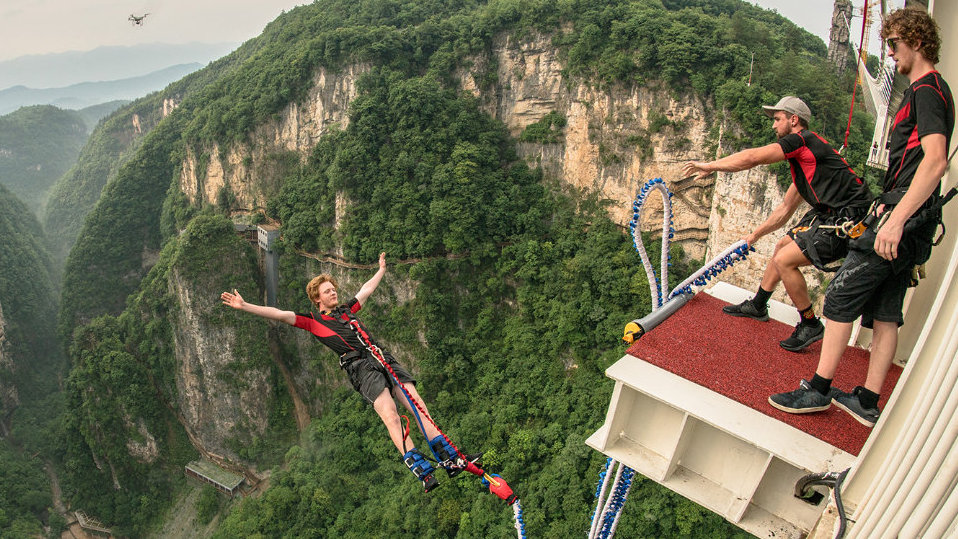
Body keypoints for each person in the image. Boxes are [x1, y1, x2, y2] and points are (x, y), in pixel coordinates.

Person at [769, 7, 954, 427]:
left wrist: (894, 219)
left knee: (838, 300)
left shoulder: (926, 91)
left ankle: (817, 390)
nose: (890, 55)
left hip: (900, 217)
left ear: (917, 42)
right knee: (885, 313)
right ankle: (867, 401)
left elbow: (936, 160)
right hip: (917, 224)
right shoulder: (936, 91)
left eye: (894, 45)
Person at [221, 252, 476, 491]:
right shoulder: (313, 321)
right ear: (317, 298)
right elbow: (278, 314)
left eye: (333, 289)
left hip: (381, 356)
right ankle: (423, 472)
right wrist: (245, 306)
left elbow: (366, 290)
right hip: (360, 368)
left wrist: (381, 270)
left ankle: (451, 459)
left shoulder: (346, 310)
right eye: (328, 291)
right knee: (391, 415)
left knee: (417, 405)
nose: (333, 292)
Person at [683, 96, 872, 351]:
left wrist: (710, 165)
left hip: (850, 218)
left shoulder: (802, 141)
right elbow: (784, 210)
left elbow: (753, 157)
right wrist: (755, 235)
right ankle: (759, 304)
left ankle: (810, 323)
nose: (774, 126)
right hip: (831, 213)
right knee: (783, 244)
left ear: (794, 120)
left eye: (777, 119)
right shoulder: (807, 162)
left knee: (785, 260)